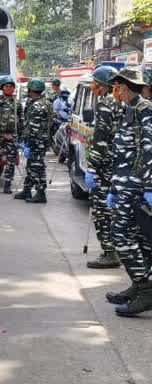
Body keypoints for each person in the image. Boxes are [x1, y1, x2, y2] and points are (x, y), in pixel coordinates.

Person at [103, 67, 152, 316]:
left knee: (121, 236)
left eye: (118, 88)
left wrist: (150, 187)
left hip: (137, 185)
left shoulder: (145, 110)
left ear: (126, 87)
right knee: (137, 239)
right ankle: (138, 285)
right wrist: (113, 186)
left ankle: (145, 289)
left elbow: (149, 149)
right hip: (124, 183)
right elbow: (122, 153)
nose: (116, 92)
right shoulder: (128, 110)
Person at [84, 66, 123, 269]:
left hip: (105, 166)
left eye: (95, 84)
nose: (93, 87)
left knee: (101, 211)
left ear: (102, 85)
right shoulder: (121, 102)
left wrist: (92, 168)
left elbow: (101, 140)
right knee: (116, 211)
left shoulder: (106, 104)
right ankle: (118, 249)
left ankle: (110, 253)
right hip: (120, 164)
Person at [15, 78, 51, 204]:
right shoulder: (42, 102)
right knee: (31, 165)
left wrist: (28, 144)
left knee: (37, 167)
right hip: (40, 140)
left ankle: (41, 192)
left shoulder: (37, 105)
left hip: (37, 141)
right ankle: (27, 189)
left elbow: (34, 128)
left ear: (31, 90)